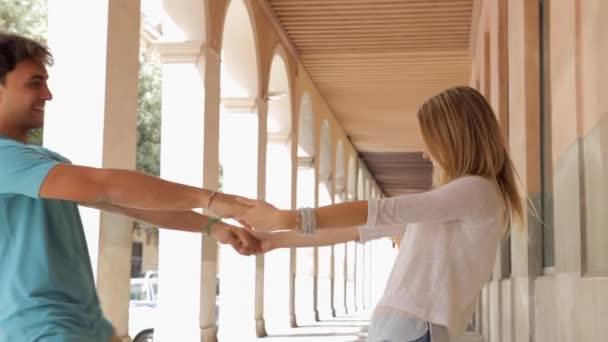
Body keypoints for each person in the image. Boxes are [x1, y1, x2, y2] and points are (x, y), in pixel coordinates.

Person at [0, 33, 258, 342]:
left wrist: (213, 226)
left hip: (83, 329)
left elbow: (126, 202)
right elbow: (105, 185)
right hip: (35, 332)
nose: (48, 94)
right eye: (34, 83)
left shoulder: (42, 160)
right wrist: (211, 198)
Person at [237, 86, 524, 342]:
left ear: (454, 139)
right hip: (403, 326)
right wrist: (273, 240)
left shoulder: (475, 190)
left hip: (412, 327)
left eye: (431, 141)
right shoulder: (463, 198)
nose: (426, 152)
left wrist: (285, 218)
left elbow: (379, 211)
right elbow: (356, 229)